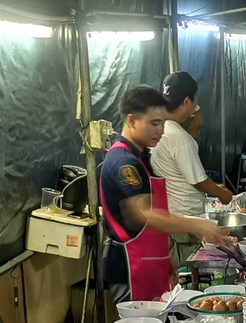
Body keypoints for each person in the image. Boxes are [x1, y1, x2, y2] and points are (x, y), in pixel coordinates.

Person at [99, 85, 233, 303]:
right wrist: (197, 225)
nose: (161, 130)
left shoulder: (141, 158)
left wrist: (165, 260)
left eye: (163, 122)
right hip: (131, 267)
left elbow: (156, 212)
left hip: (151, 261)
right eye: (154, 123)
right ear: (132, 121)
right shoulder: (123, 163)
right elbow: (144, 214)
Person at [151, 71, 233, 268]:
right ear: (187, 101)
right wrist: (223, 194)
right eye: (195, 102)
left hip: (172, 216)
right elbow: (198, 180)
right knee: (190, 270)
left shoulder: (157, 130)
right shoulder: (179, 137)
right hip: (186, 221)